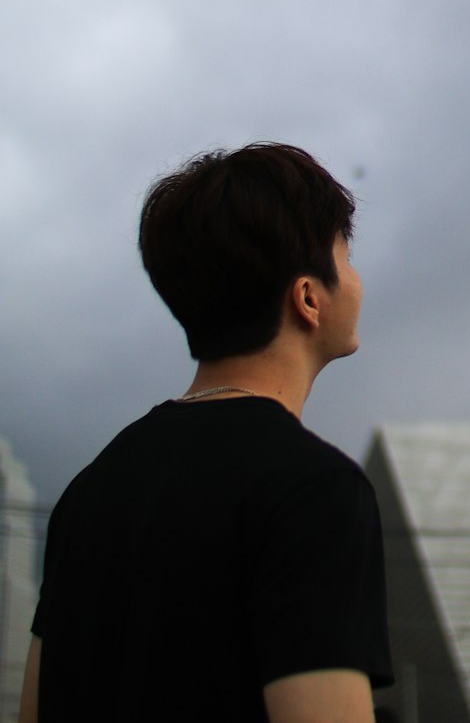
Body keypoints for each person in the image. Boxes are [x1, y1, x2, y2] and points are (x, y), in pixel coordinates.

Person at [20, 142, 392, 723]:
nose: (356, 279)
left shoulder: (90, 489)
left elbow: (33, 711)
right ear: (308, 298)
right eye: (345, 258)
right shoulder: (315, 491)